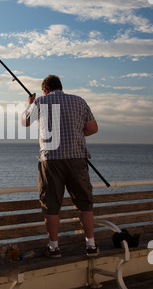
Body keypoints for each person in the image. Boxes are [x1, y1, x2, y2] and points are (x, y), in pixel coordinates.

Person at [21, 75, 99, 258]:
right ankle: (91, 245)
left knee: (51, 205)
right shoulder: (79, 101)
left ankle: (54, 247)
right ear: (60, 87)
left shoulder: (40, 102)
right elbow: (93, 128)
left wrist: (30, 103)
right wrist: (75, 135)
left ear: (45, 90)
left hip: (51, 160)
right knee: (84, 203)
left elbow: (25, 122)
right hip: (77, 158)